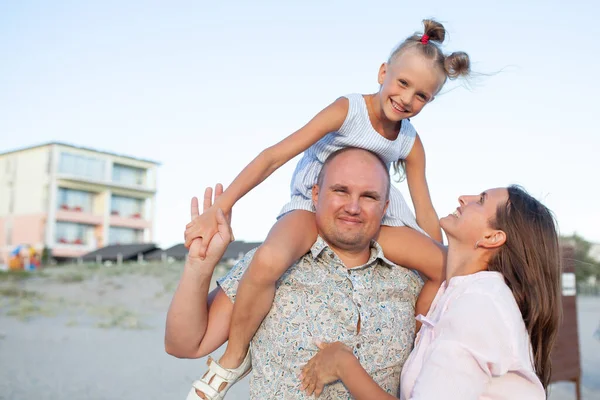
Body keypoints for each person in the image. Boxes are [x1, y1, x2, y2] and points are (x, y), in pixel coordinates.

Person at [181, 19, 471, 398]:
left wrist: (436, 250)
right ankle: (234, 357)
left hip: (371, 213)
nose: (407, 99)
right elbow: (273, 156)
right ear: (383, 73)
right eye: (402, 83)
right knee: (267, 261)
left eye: (421, 96)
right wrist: (221, 206)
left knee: (443, 266)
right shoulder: (348, 109)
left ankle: (418, 349)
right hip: (313, 203)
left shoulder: (411, 142)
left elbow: (425, 208)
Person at [166, 148, 427, 399]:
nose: (353, 207)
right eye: (340, 191)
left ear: (385, 207)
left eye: (369, 196)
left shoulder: (411, 281)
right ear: (315, 195)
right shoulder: (270, 266)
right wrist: (200, 265)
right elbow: (185, 344)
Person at [299, 185, 562, 399]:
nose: (464, 197)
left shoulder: (479, 305)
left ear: (493, 238)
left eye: (480, 200)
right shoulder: (454, 292)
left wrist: (344, 364)